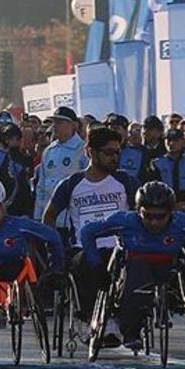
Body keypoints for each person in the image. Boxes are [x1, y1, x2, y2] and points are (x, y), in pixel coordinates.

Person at [79, 182, 185, 351]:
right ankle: (131, 329)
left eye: (160, 217)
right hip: (134, 270)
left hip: (169, 269)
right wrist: (97, 265)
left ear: (171, 212)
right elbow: (87, 232)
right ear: (138, 211)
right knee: (138, 269)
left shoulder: (183, 222)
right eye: (147, 216)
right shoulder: (125, 221)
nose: (154, 222)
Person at [43, 127, 140, 318]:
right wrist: (56, 246)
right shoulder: (71, 184)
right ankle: (92, 318)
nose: (114, 157)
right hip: (84, 249)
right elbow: (49, 216)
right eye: (108, 152)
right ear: (90, 152)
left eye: (118, 152)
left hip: (120, 248)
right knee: (86, 266)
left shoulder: (126, 181)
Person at [0, 177, 65, 306]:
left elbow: (53, 237)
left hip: (15, 269)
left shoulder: (20, 224)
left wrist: (55, 269)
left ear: (2, 207)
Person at [33, 107, 88, 223]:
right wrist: (38, 215)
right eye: (55, 122)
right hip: (50, 216)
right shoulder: (49, 151)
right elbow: (41, 185)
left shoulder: (82, 149)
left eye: (60, 122)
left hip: (73, 216)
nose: (55, 126)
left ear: (73, 125)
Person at [149, 129, 185, 213]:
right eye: (168, 140)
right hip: (163, 209)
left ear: (183, 142)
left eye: (176, 140)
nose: (171, 143)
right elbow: (154, 189)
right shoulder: (157, 163)